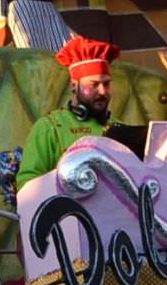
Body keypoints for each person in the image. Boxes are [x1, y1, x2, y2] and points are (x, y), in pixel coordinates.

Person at [14, 36, 122, 191]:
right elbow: (27, 184)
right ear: (73, 86)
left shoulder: (119, 127)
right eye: (94, 85)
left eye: (106, 84)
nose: (102, 91)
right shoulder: (49, 127)